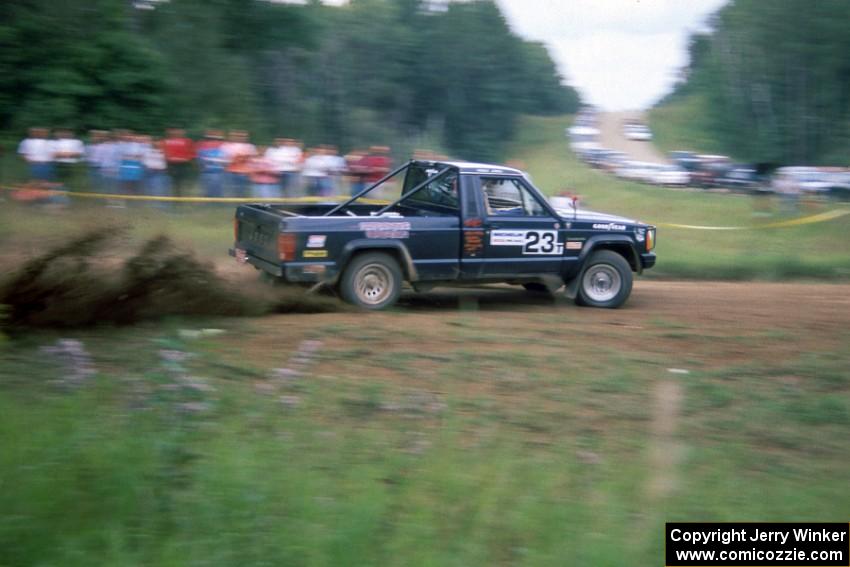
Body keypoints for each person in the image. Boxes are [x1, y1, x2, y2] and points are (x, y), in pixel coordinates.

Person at [222, 130, 256, 197]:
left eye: (243, 136)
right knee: (230, 189)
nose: (241, 137)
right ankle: (230, 203)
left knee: (243, 189)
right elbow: (224, 159)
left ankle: (241, 203)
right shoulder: (226, 145)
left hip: (244, 172)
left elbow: (252, 160)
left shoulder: (250, 146)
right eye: (239, 136)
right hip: (230, 171)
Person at [162, 128, 195, 197]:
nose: (177, 132)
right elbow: (163, 152)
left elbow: (192, 153)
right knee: (173, 183)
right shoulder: (166, 141)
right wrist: (167, 159)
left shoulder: (188, 141)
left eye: (180, 131)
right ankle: (174, 199)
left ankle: (185, 197)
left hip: (184, 165)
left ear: (183, 132)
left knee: (184, 182)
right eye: (174, 130)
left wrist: (188, 159)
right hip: (171, 165)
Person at [142, 136, 171, 207]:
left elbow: (167, 160)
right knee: (149, 188)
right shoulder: (147, 151)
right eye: (155, 141)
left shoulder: (164, 151)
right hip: (149, 171)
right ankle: (151, 204)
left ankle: (160, 205)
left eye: (158, 142)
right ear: (152, 142)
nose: (156, 143)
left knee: (159, 188)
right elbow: (144, 161)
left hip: (159, 172)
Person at [196, 130, 227, 199]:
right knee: (207, 190)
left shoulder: (223, 146)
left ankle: (218, 203)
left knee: (219, 190)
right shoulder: (202, 146)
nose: (214, 141)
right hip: (207, 172)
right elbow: (200, 161)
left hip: (220, 172)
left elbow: (225, 161)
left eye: (216, 138)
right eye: (211, 138)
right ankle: (208, 203)